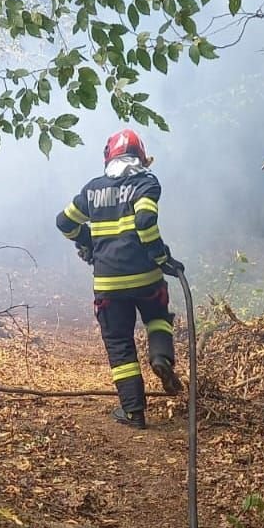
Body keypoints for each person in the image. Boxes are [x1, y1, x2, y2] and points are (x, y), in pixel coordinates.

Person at [56, 128, 185, 429]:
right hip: (146, 278)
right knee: (157, 317)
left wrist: (88, 241)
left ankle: (133, 412)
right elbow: (144, 219)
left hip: (108, 285)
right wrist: (161, 257)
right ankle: (161, 357)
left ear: (108, 158)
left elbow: (64, 223)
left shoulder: (92, 189)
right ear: (140, 157)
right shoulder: (145, 182)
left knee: (119, 344)